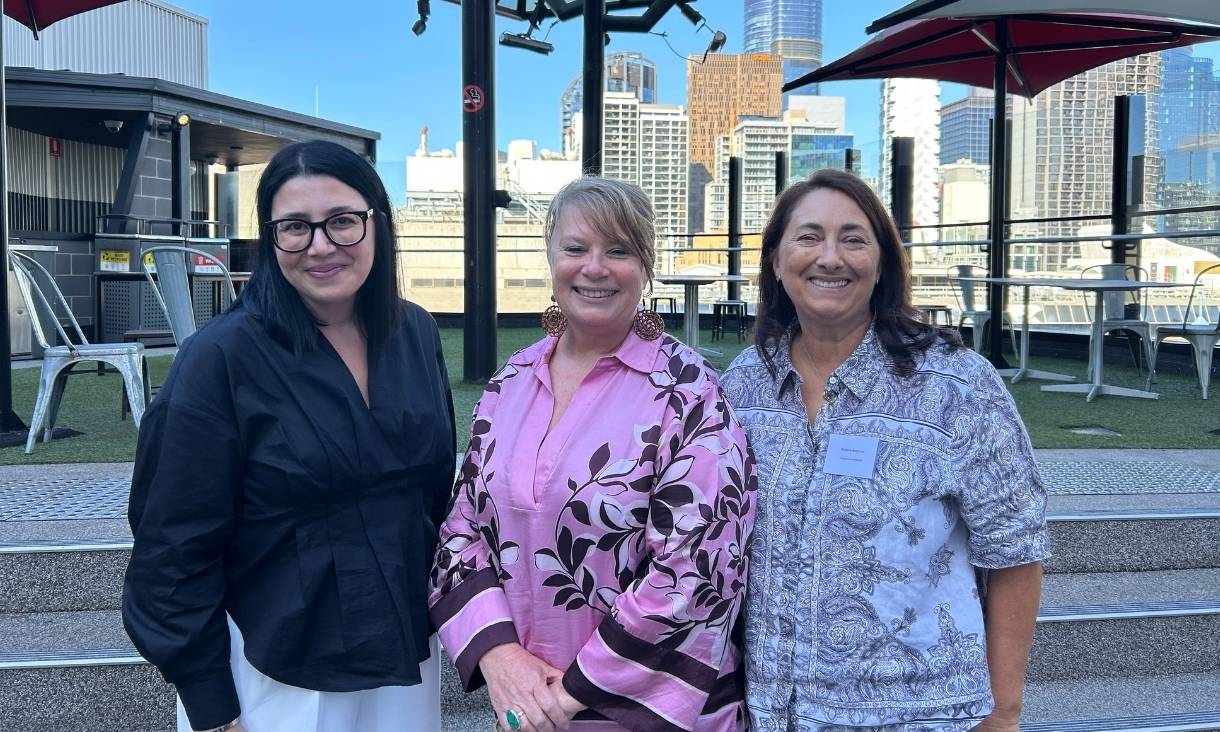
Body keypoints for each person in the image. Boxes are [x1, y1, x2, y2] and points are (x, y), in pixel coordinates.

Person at [123, 140, 454, 732]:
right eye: (295, 227)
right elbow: (171, 541)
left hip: (402, 656)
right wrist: (212, 705)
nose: (321, 246)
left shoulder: (415, 334)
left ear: (377, 221)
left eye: (343, 222)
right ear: (271, 238)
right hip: (270, 670)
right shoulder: (220, 358)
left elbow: (434, 497)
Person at [721, 169, 1049, 732]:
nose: (830, 257)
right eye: (808, 237)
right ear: (776, 261)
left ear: (882, 264)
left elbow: (1016, 548)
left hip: (921, 714)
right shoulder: (743, 386)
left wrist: (1004, 712)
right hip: (769, 714)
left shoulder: (955, 387)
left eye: (853, 239)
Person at [429, 176, 756, 732]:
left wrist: (569, 696)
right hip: (528, 704)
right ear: (552, 258)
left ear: (646, 264)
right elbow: (462, 529)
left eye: (618, 250)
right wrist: (501, 658)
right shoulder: (511, 380)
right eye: (576, 249)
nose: (594, 267)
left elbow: (698, 571)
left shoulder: (687, 391)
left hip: (643, 715)